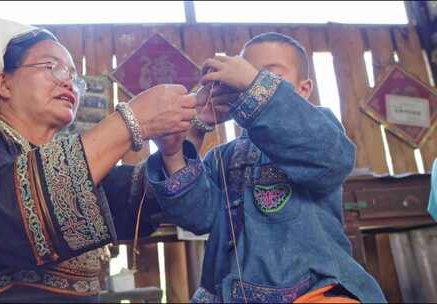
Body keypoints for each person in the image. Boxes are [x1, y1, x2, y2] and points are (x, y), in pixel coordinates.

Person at [0, 16, 197, 302]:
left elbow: (134, 202)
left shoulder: (72, 165)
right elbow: (4, 212)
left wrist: (180, 143)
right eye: (52, 67)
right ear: (4, 84)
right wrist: (130, 121)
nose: (68, 82)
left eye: (72, 75)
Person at [149, 32, 386, 303]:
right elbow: (197, 217)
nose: (250, 81)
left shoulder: (318, 127)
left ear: (303, 90)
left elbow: (331, 160)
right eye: (246, 72)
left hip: (313, 291)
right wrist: (176, 149)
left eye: (269, 75)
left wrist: (253, 83)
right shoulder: (222, 156)